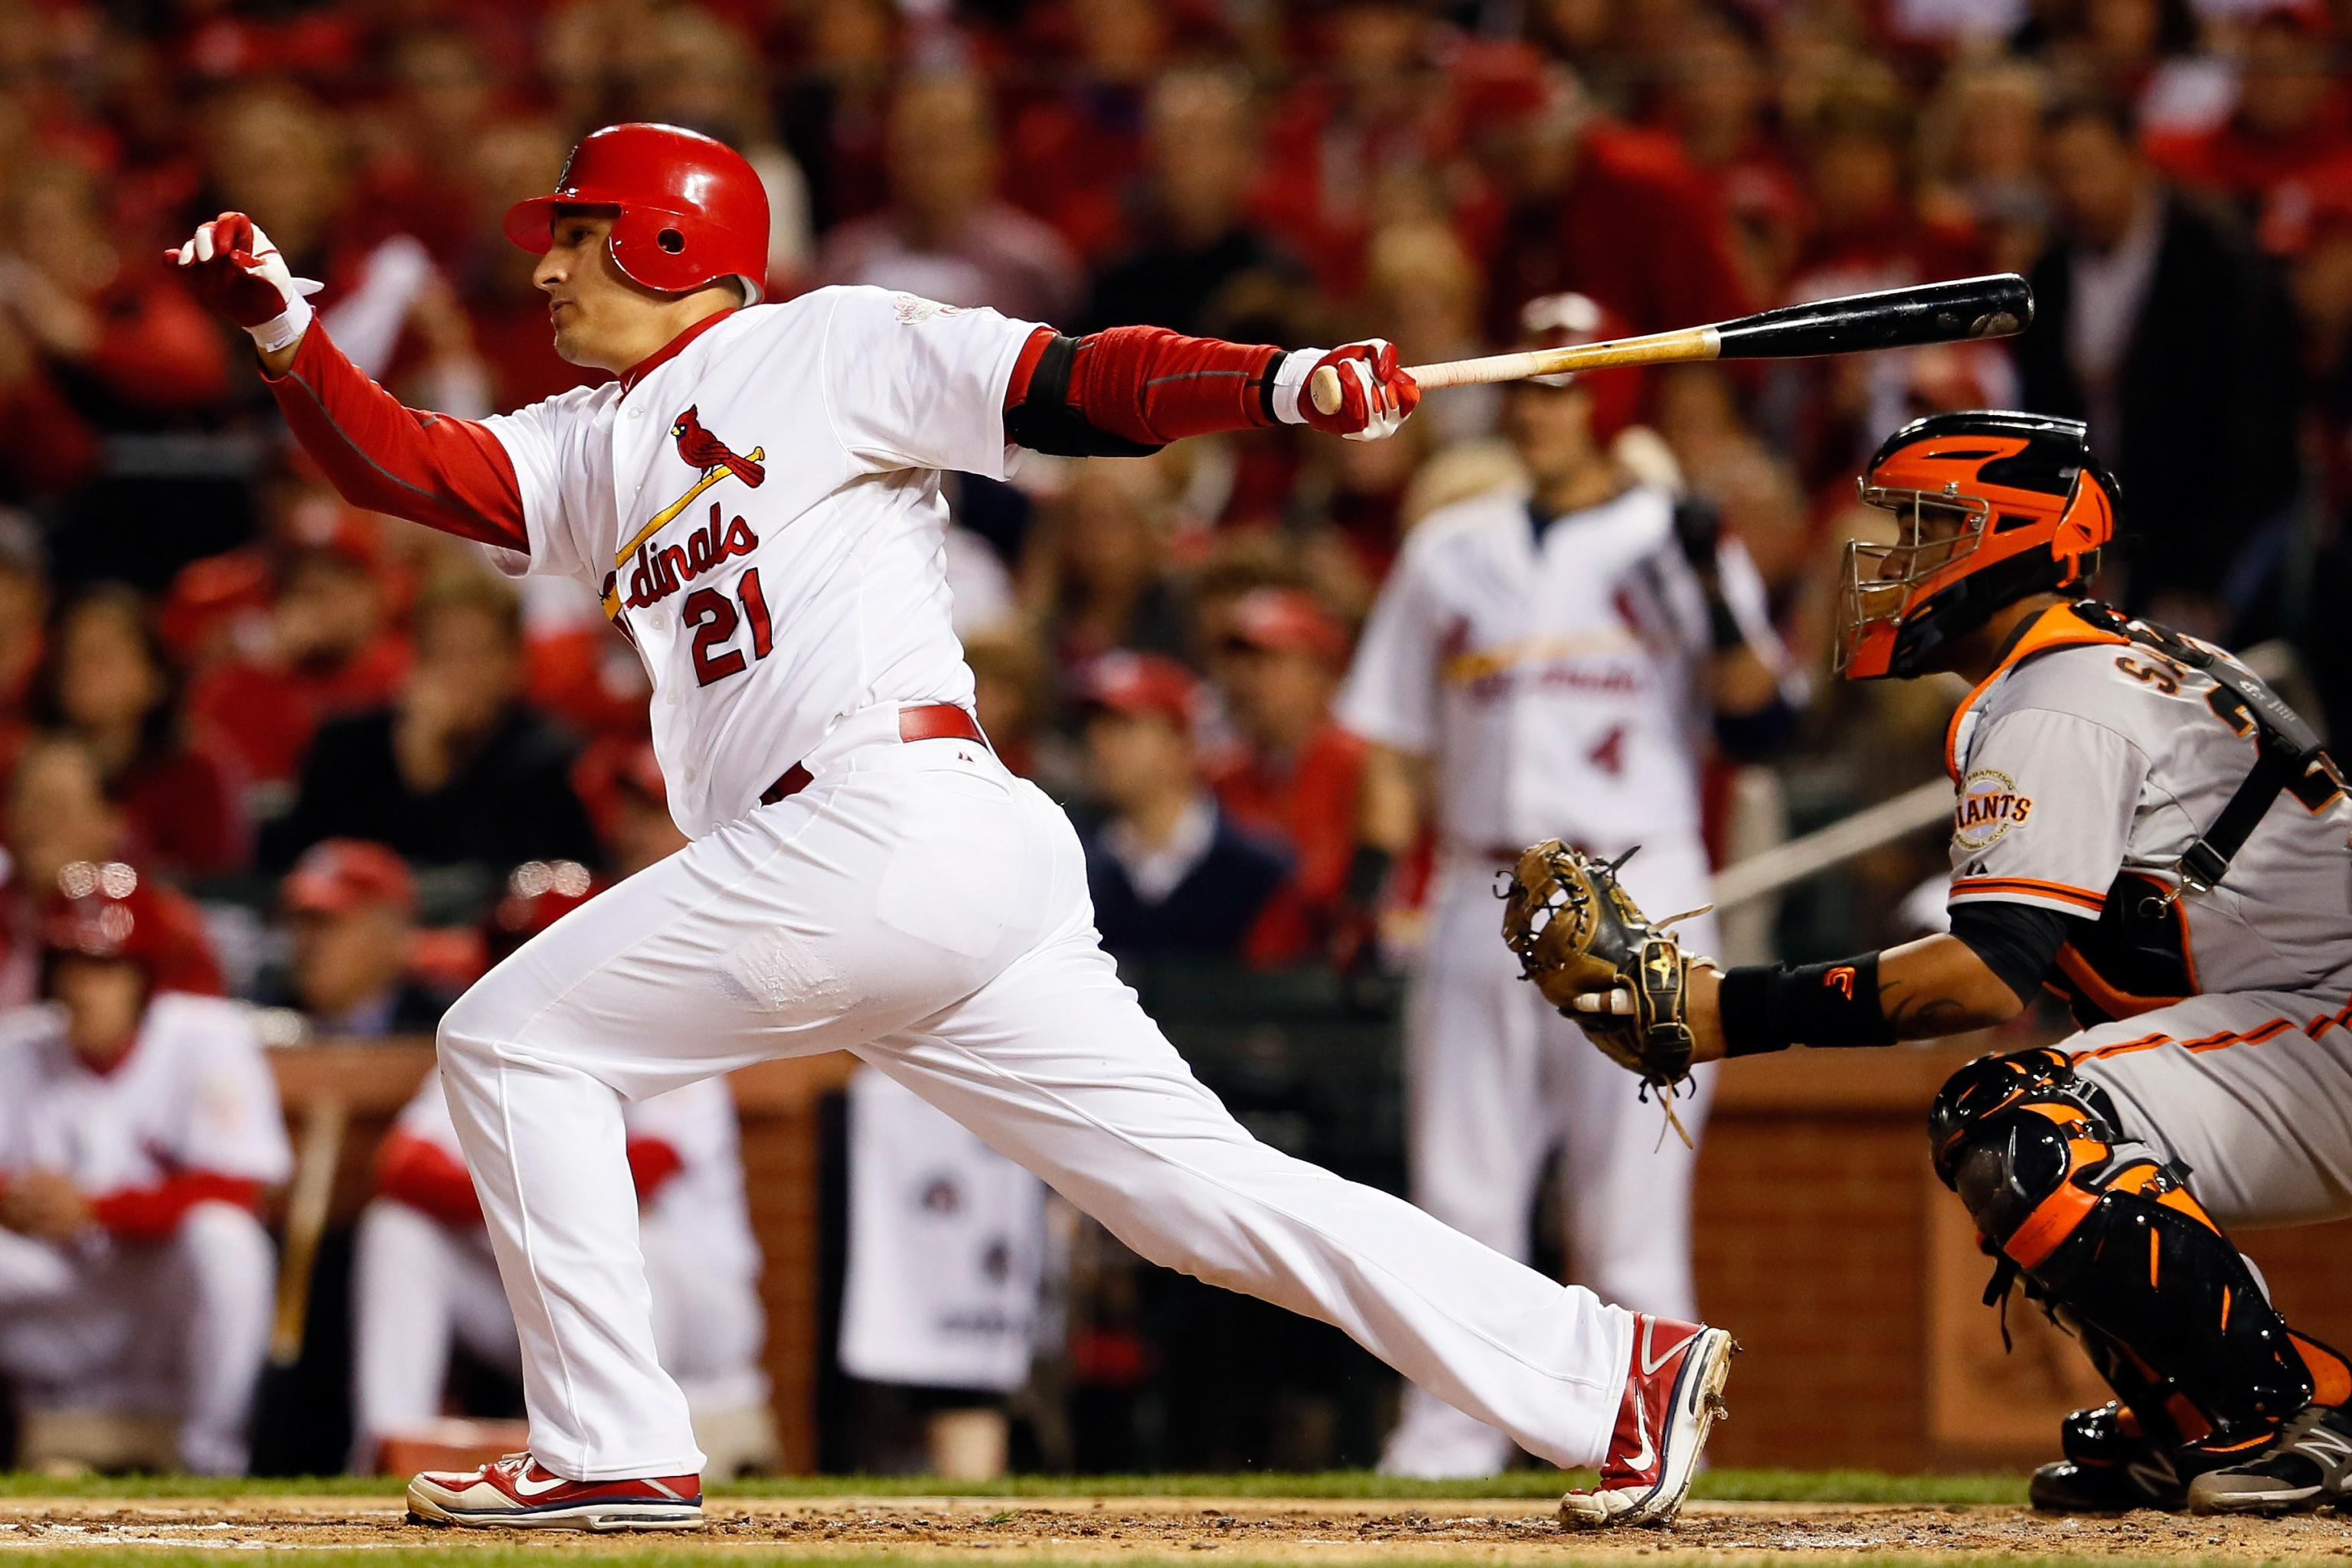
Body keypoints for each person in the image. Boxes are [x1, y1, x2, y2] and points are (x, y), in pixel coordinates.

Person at [172, 120, 1733, 1532]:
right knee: (1203, 1200)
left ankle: (614, 1443)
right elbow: (409, 464)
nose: (546, 259)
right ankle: (1613, 1374)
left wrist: (1273, 377)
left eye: (577, 230)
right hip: (905, 863)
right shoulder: (596, 442)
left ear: (666, 241)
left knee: (512, 1044)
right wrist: (284, 330)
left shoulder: (828, 342)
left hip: (883, 818)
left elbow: (1075, 383)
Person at [1569, 410, 2352, 1516]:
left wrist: (1729, 1009)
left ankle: (2270, 1422)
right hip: (2307, 1022)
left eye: (1929, 526)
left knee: (2020, 1126)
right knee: (2041, 1131)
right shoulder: (2103, 666)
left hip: (2332, 1022)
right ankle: (2207, 1412)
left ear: (2013, 537)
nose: (1892, 558)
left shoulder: (2061, 697)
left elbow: (1985, 977)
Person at [1336, 293, 1794, 1478]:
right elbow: (1391, 736)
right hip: (1483, 889)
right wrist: (1377, 872)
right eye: (1530, 385)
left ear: (1609, 399)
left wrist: (1706, 572)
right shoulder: (1453, 544)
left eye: (1567, 386)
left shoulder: (1674, 538)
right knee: (1462, 1191)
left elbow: (1762, 726)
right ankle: (1447, 1439)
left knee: (1632, 1211)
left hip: (1642, 890)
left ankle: (1654, 1436)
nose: (1543, 410)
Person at [350, 862, 771, 1477]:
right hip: (562, 1310)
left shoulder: (672, 1033)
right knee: (398, 1231)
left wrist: (501, 1182)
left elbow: (643, 1171)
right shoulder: (499, 1045)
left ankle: (633, 1443)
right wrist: (504, 1192)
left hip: (701, 1324)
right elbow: (402, 1169)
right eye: (514, 951)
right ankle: (389, 1446)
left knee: (631, 1230)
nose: (527, 969)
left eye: (545, 946)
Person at [0, 864, 289, 1474]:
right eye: (72, 965)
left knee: (227, 1242)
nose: (86, 987)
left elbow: (240, 1189)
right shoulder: (16, 1048)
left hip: (159, 1299)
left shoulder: (205, 1035)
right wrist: (13, 1201)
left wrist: (97, 1207)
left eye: (107, 968)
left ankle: (213, 1458)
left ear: (144, 978)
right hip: (62, 1303)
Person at [2016, 96, 2300, 638]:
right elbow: (2043, 421)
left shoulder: (2218, 261)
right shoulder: (2048, 275)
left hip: (2216, 543)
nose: (2076, 192)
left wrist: (2200, 574)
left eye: (2089, 169)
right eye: (2058, 176)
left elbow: (2253, 432)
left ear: (2135, 161)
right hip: (2097, 545)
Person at [265, 574, 600, 877]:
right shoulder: (344, 747)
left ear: (515, 664)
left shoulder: (551, 761)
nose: (456, 673)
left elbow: (499, 885)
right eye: (438, 653)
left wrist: (428, 773)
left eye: (476, 654)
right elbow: (304, 872)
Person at [1075, 650, 1289, 962]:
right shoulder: (1075, 868)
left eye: (1124, 725)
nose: (1100, 743)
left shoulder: (1260, 872)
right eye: (1095, 728)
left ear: (1183, 741)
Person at [1204, 588, 1367, 967]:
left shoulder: (1366, 769)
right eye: (1238, 664)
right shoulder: (1219, 780)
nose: (1246, 680)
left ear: (1323, 672)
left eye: (1268, 661)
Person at [271, 838, 447, 1036]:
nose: (305, 941)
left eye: (325, 922)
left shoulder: (447, 1027)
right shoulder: (261, 1022)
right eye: (297, 923)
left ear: (391, 932)